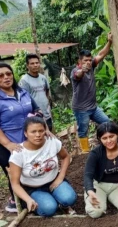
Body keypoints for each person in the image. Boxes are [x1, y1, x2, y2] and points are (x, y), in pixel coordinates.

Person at [8, 117, 76, 217]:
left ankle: (63, 204)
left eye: (41, 131)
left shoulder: (52, 142)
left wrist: (60, 177)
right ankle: (51, 202)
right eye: (33, 132)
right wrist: (28, 200)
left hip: (53, 181)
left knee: (69, 198)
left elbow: (65, 157)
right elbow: (15, 184)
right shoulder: (19, 153)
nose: (38, 135)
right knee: (49, 208)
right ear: (26, 133)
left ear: (45, 131)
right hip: (33, 189)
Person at [0, 62, 42, 213]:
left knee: (30, 168)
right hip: (8, 143)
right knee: (14, 174)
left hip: (28, 141)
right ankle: (15, 201)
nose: (6, 77)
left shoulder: (23, 92)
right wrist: (7, 144)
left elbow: (36, 109)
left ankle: (31, 196)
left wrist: (39, 120)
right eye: (1, 75)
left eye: (8, 74)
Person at [83, 122, 118, 218]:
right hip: (99, 185)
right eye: (104, 138)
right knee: (95, 212)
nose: (109, 141)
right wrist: (90, 191)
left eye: (111, 136)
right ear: (100, 139)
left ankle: (112, 198)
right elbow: (88, 174)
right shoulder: (96, 153)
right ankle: (99, 198)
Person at [71, 33, 113, 153]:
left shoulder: (91, 66)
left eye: (89, 60)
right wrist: (82, 70)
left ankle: (105, 144)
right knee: (83, 130)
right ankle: (85, 152)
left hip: (93, 107)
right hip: (81, 108)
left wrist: (109, 42)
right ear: (80, 61)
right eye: (85, 60)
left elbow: (101, 54)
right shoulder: (75, 71)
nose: (88, 62)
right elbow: (78, 75)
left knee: (107, 123)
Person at [19, 54, 53, 131]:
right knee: (38, 138)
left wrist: (46, 104)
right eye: (32, 63)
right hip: (34, 116)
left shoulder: (43, 78)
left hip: (46, 114)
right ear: (27, 65)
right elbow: (23, 99)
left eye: (37, 63)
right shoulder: (24, 80)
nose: (35, 65)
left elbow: (46, 91)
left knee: (48, 136)